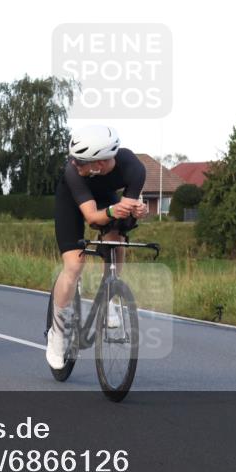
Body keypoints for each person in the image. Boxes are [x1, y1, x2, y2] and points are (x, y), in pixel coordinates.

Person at [45, 125, 148, 370]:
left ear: (99, 164)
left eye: (79, 161)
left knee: (116, 237)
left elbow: (126, 214)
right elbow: (92, 217)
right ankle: (57, 334)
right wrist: (114, 211)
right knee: (74, 263)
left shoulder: (134, 168)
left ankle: (110, 298)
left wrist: (136, 211)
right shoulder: (73, 172)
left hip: (105, 197)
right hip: (73, 200)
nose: (73, 162)